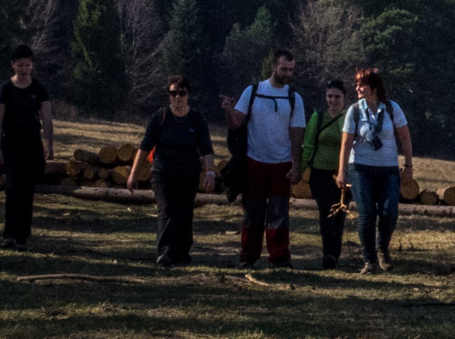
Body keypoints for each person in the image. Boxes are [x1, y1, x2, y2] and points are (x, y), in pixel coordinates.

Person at [221, 50, 306, 267]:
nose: (287, 73)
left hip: (282, 164)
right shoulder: (253, 91)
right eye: (283, 68)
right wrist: (229, 110)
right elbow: (236, 123)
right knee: (252, 214)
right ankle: (248, 257)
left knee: (279, 214)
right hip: (254, 162)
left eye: (291, 69)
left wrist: (297, 165)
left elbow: (297, 133)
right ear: (273, 67)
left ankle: (279, 258)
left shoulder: (294, 98)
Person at [130, 75, 216, 266]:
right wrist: (133, 174)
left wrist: (210, 172)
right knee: (167, 211)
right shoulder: (160, 117)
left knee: (185, 213)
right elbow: (145, 147)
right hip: (163, 173)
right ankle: (165, 254)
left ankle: (182, 254)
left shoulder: (196, 119)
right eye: (173, 93)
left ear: (188, 94)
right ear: (169, 95)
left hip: (188, 173)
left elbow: (207, 148)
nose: (177, 97)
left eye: (181, 93)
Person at [337, 67, 413, 275]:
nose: (357, 88)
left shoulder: (392, 108)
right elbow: (345, 144)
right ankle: (369, 260)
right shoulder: (354, 110)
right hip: (361, 168)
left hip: (388, 169)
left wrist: (408, 166)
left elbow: (405, 138)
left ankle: (382, 248)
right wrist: (342, 171)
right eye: (357, 84)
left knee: (389, 213)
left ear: (374, 87)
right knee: (367, 213)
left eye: (362, 84)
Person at [0, 44, 55, 249]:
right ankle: (9, 234)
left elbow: (47, 118)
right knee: (13, 188)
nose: (23, 68)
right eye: (20, 65)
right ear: (13, 65)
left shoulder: (39, 89)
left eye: (27, 65)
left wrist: (49, 143)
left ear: (32, 65)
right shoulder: (5, 89)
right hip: (11, 145)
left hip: (32, 146)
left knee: (28, 190)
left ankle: (22, 236)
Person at [300, 78, 350, 268]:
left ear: (344, 98)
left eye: (337, 96)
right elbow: (309, 145)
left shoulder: (350, 117)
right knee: (327, 212)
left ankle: (334, 253)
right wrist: (300, 169)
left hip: (343, 175)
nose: (333, 100)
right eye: (330, 96)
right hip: (320, 173)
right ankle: (328, 253)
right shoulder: (318, 117)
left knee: (340, 214)